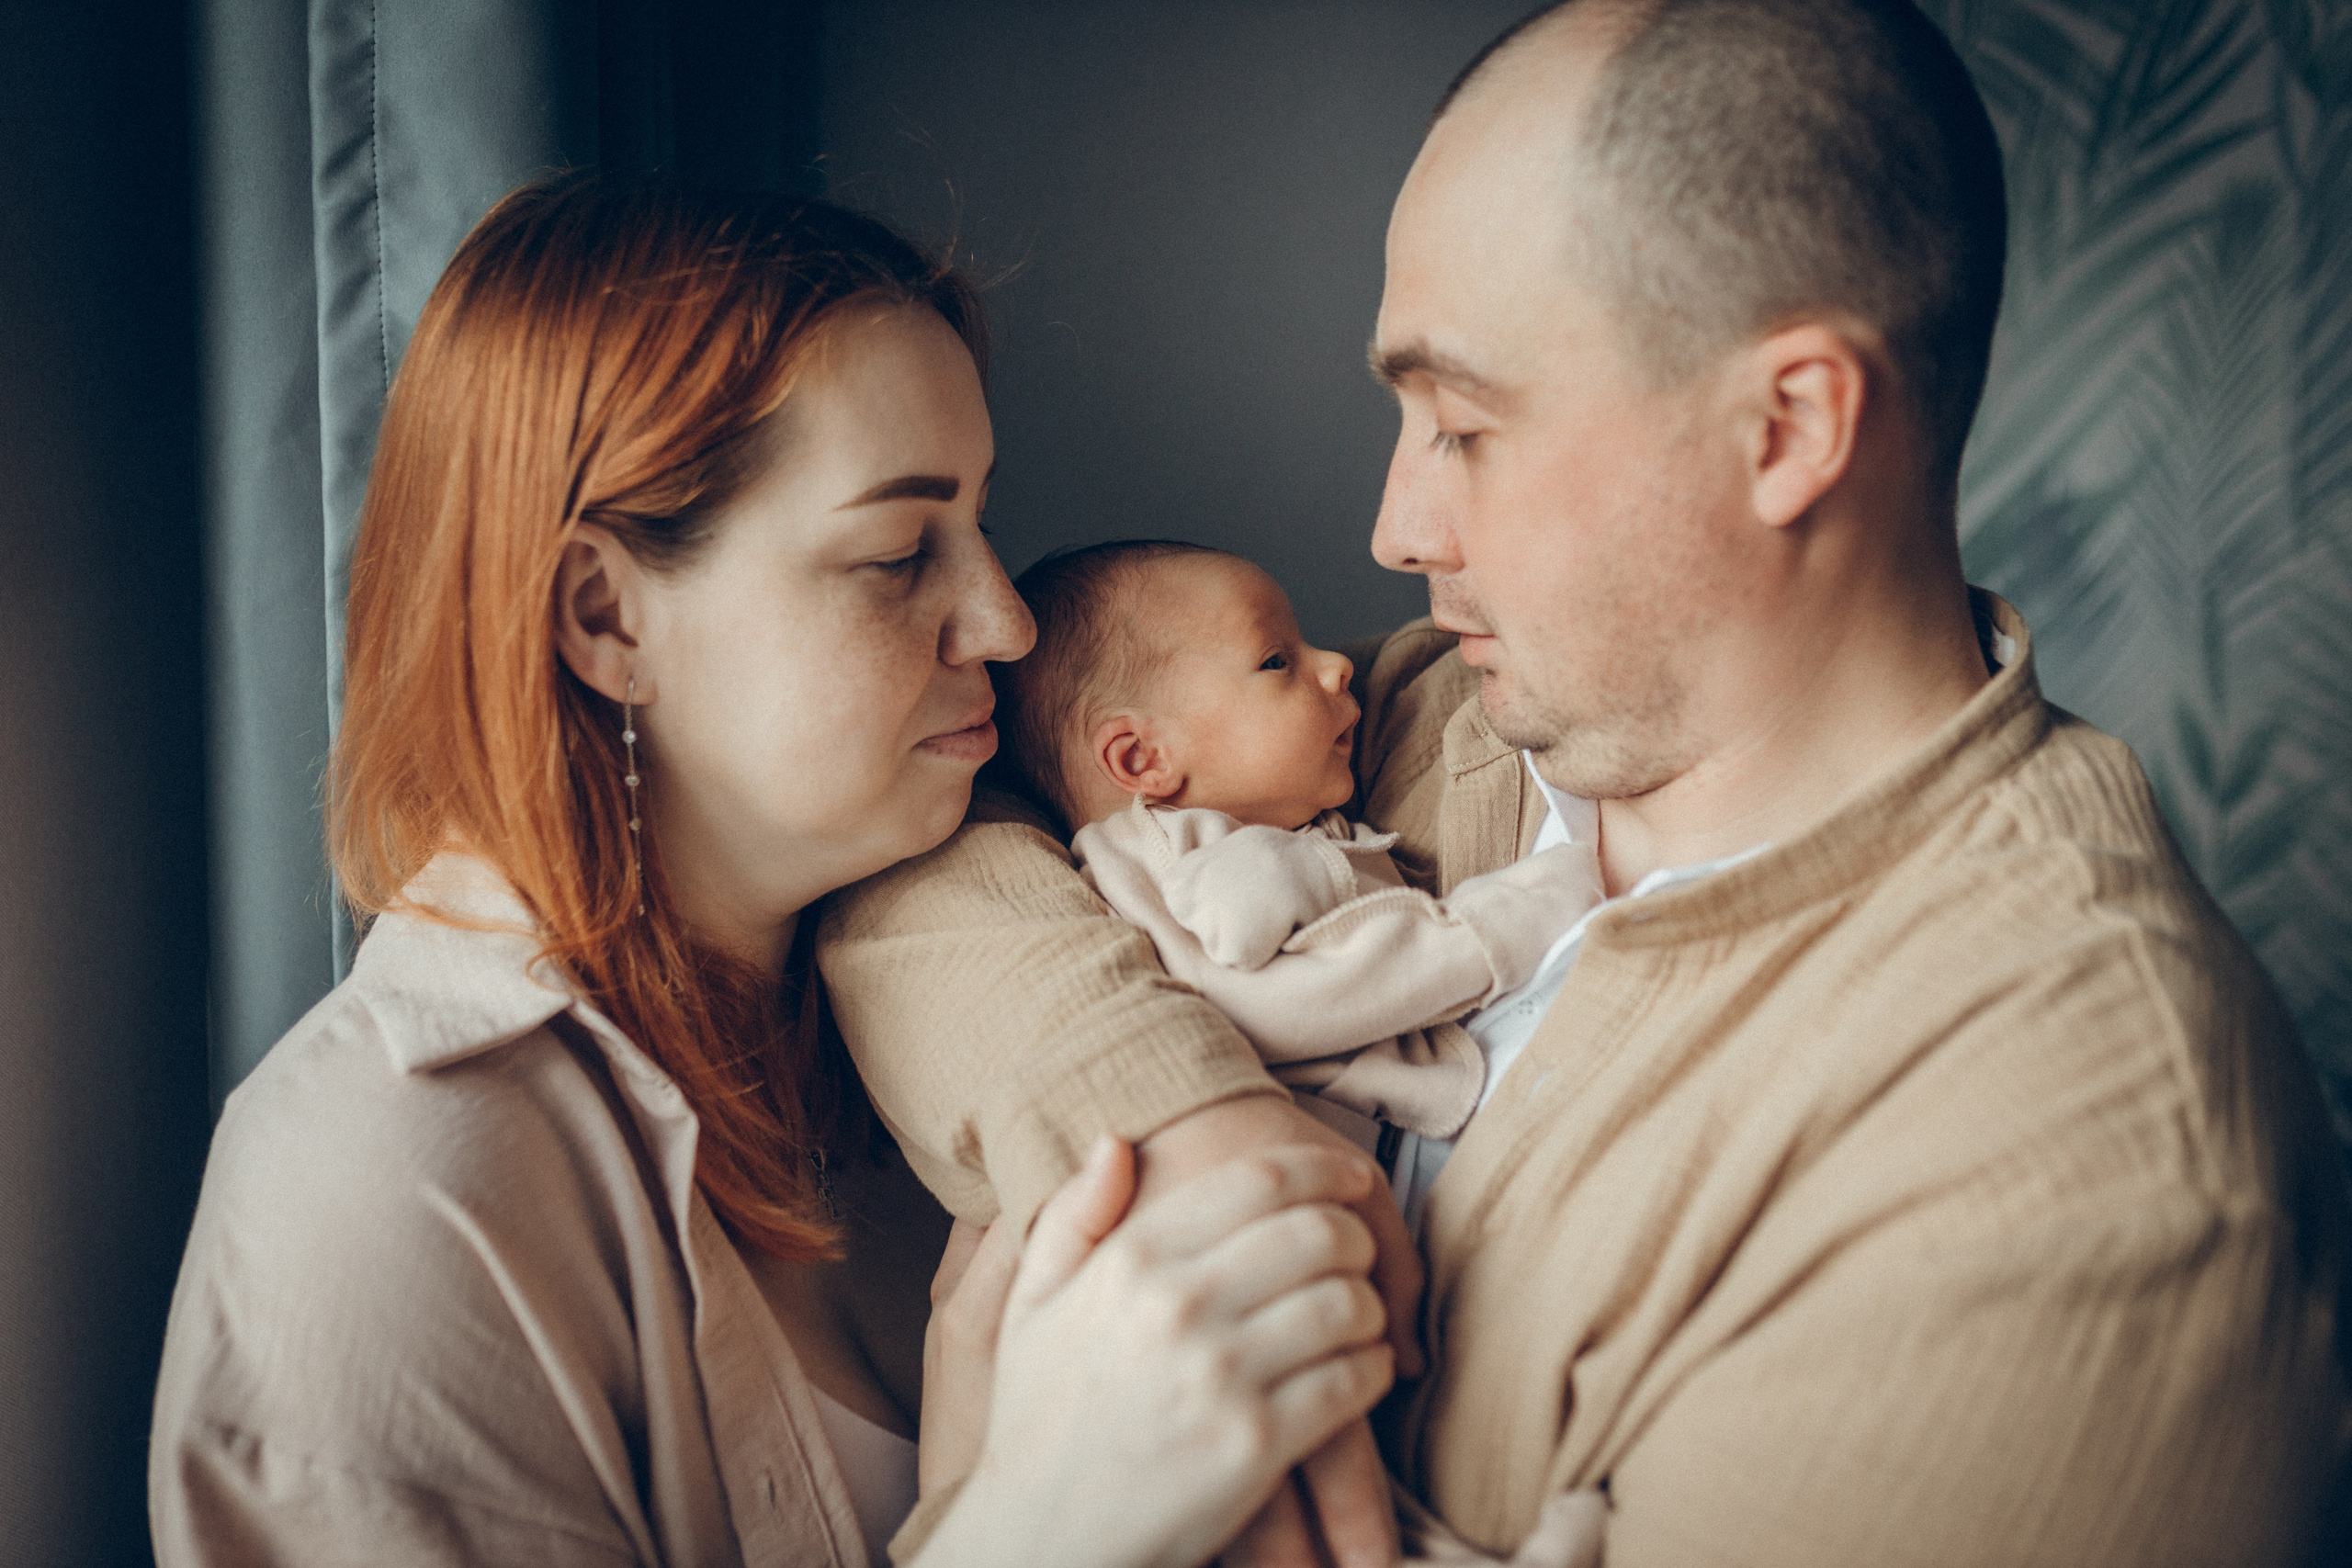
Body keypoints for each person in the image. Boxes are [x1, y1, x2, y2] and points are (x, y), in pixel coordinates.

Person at [818, 3, 2352, 1564]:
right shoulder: (1442, 722)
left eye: (1463, 423)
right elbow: (939, 842)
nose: (1394, 525)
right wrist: (1187, 1126)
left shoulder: (2072, 1166)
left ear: (1788, 428)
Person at [147, 176, 1401, 1568]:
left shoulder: (974, 965)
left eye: (982, 520)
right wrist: (1036, 1525)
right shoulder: (386, 1197)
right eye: (894, 552)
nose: (1001, 617)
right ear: (605, 615)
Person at [998, 538, 1600, 1156]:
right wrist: (1502, 925)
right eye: (1276, 661)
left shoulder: (1261, 832)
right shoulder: (1201, 861)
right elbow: (1279, 1003)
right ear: (1143, 759)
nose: (1337, 663)